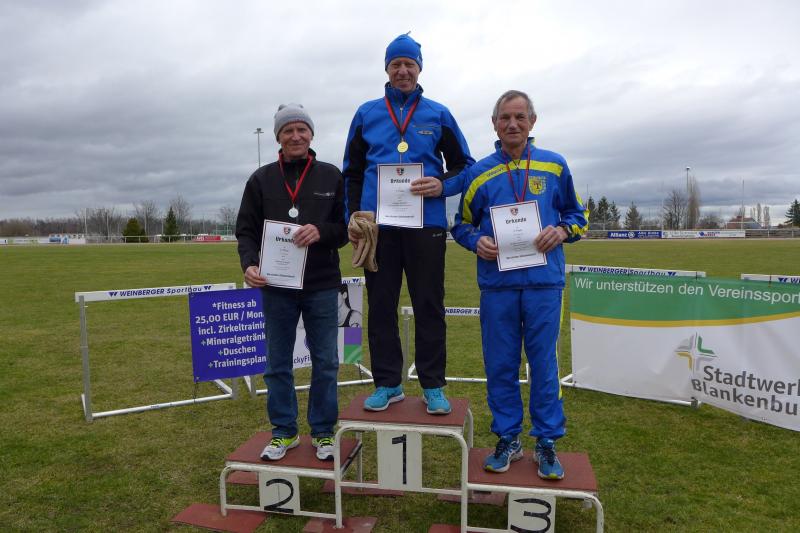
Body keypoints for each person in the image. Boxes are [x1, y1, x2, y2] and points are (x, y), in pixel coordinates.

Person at [451, 90, 588, 479]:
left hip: (544, 285)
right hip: (498, 286)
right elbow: (460, 225)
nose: (512, 124)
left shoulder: (554, 166)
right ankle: (508, 438)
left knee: (544, 365)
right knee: (500, 365)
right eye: (505, 118)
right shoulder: (479, 173)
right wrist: (476, 241)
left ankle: (546, 442)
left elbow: (578, 216)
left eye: (519, 117)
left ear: (532, 122)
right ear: (494, 124)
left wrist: (562, 231)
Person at [343, 33, 474, 414]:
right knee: (381, 306)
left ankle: (433, 385)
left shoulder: (438, 114)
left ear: (419, 69)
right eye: (396, 64)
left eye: (409, 64)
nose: (403, 70)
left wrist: (442, 185)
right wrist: (354, 215)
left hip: (426, 226)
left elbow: (465, 166)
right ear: (386, 69)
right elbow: (352, 172)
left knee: (429, 305)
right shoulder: (366, 113)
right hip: (378, 229)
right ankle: (388, 383)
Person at [236, 103, 348, 461]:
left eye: (302, 129)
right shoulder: (261, 179)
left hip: (322, 284)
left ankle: (323, 432)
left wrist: (322, 231)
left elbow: (346, 229)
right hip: (276, 287)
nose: (296, 136)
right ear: (278, 137)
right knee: (277, 364)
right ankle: (284, 432)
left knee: (326, 362)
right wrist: (249, 264)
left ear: (311, 134)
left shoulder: (332, 176)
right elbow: (246, 231)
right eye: (288, 130)